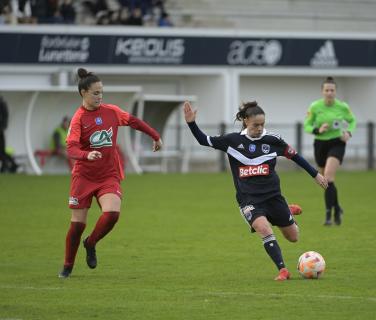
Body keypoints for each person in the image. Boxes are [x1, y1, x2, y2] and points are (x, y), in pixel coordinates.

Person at [184, 100, 328, 280]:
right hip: (249, 199)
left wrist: (316, 175)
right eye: (255, 125)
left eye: (262, 124)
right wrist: (191, 123)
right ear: (245, 121)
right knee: (264, 229)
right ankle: (283, 270)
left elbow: (296, 157)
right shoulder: (232, 141)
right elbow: (203, 140)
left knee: (293, 237)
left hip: (273, 196)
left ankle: (286, 211)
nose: (259, 128)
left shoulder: (273, 140)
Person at [58, 68, 163, 278]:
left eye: (101, 92)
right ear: (83, 93)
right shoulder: (78, 119)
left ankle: (91, 242)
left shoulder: (111, 111)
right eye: (95, 93)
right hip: (84, 177)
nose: (99, 96)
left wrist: (155, 136)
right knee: (77, 225)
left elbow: (133, 121)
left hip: (108, 174)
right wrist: (87, 155)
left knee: (112, 213)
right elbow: (71, 149)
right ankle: (68, 265)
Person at [303, 76, 356, 226]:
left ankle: (328, 215)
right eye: (326, 90)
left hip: (337, 143)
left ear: (335, 91)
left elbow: (352, 121)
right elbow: (306, 125)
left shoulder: (342, 107)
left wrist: (348, 133)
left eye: (332, 90)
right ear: (322, 91)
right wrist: (317, 130)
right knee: (324, 182)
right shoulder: (314, 107)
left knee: (328, 177)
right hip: (320, 143)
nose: (329, 92)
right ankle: (337, 208)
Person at [0, 94, 18, 173]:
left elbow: (5, 117)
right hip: (1, 129)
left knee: (1, 151)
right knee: (1, 151)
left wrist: (2, 127)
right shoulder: (2, 103)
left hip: (0, 130)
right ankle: (12, 165)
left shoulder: (2, 104)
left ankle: (7, 166)